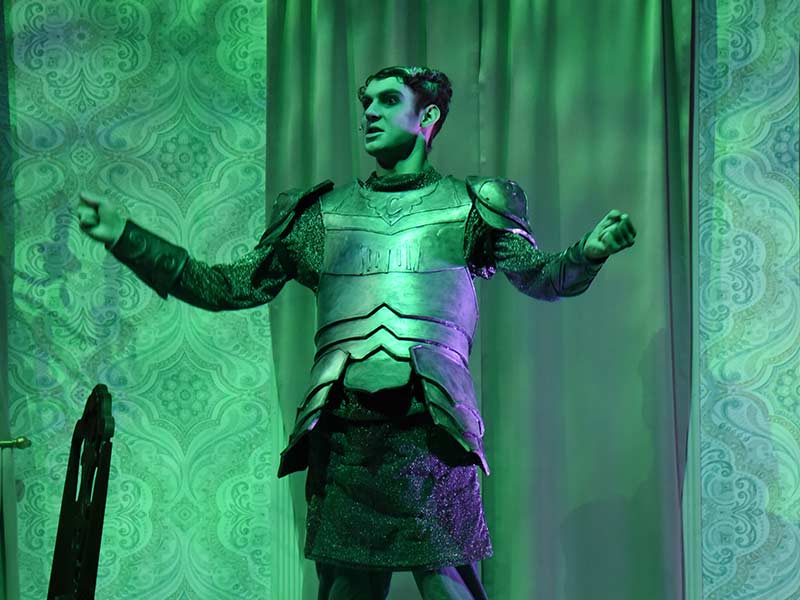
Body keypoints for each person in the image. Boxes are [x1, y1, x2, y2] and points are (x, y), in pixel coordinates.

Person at [76, 65, 637, 600]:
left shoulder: (473, 206)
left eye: (388, 101)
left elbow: (540, 277)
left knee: (448, 582)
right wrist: (129, 238)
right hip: (345, 435)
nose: (369, 112)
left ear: (428, 117)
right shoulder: (321, 214)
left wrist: (587, 253)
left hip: (432, 430)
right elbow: (228, 286)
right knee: (347, 591)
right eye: (366, 102)